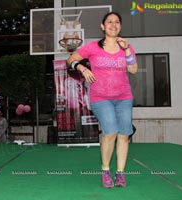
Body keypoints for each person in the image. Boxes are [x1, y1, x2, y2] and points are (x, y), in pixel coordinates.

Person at [67, 12, 138, 188]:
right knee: (110, 132)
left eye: (117, 22)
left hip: (124, 97)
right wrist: (82, 67)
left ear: (120, 26)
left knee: (124, 135)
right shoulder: (92, 47)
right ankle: (105, 170)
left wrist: (127, 49)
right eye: (109, 22)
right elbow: (70, 60)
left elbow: (134, 69)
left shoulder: (126, 47)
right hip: (101, 98)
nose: (113, 25)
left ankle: (120, 173)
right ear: (102, 26)